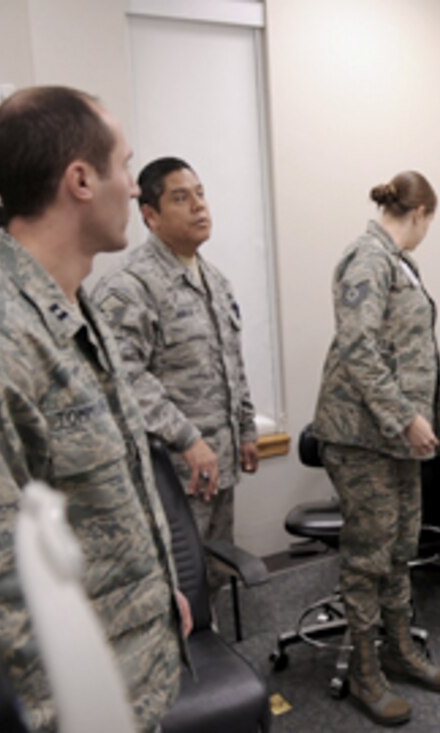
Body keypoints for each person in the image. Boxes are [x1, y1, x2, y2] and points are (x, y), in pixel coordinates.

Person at [0, 86, 188, 732]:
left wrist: (159, 586)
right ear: (80, 180)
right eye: (125, 165)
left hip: (136, 671)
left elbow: (97, 489)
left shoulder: (75, 304)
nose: (133, 185)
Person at [313, 170, 440, 725]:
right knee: (368, 556)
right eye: (429, 223)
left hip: (396, 439)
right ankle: (364, 672)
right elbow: (357, 347)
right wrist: (404, 416)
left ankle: (399, 650)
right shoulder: (368, 259)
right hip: (362, 437)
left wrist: (413, 420)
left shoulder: (400, 262)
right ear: (419, 213)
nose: (427, 232)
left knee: (400, 547)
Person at [93, 157, 259, 602]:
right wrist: (187, 438)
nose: (198, 207)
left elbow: (232, 362)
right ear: (150, 215)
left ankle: (211, 656)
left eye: (200, 194)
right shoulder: (129, 287)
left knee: (213, 574)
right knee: (175, 585)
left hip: (218, 464)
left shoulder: (215, 281)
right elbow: (121, 376)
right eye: (181, 199)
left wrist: (244, 428)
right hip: (171, 471)